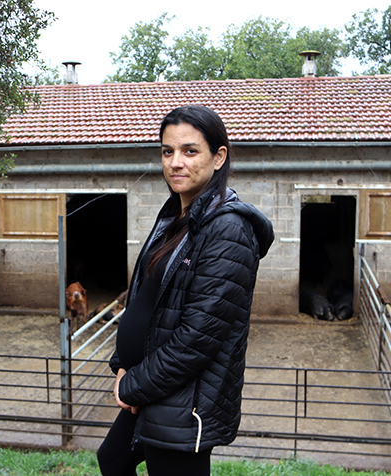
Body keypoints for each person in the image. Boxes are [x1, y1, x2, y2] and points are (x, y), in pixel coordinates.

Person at [97, 105, 274, 476]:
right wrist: (123, 365)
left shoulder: (228, 231)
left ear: (218, 156)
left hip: (184, 399)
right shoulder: (173, 219)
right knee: (111, 461)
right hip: (152, 382)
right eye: (167, 151)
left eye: (190, 151)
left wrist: (133, 385)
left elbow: (197, 338)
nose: (176, 162)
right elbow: (144, 300)